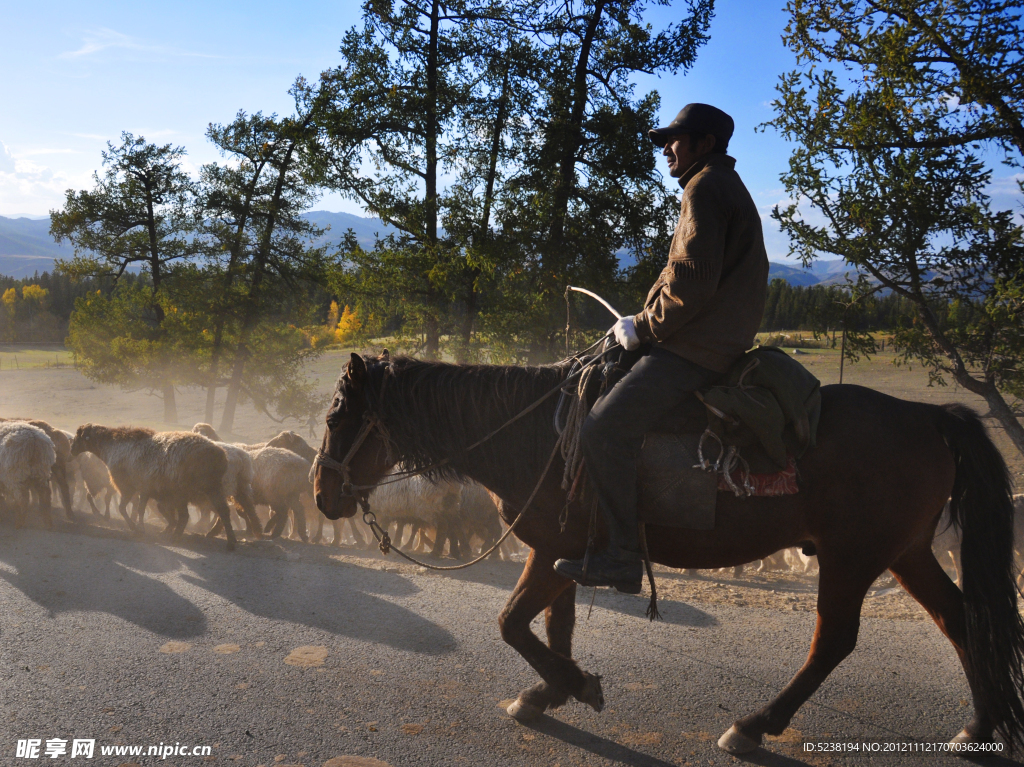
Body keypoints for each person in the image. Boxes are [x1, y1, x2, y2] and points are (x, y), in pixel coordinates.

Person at [553, 103, 770, 593]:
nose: (667, 149)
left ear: (705, 143)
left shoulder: (705, 187)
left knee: (602, 429)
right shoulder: (722, 186)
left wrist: (645, 329)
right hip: (706, 342)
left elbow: (690, 284)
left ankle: (621, 555)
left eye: (676, 138)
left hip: (694, 350)